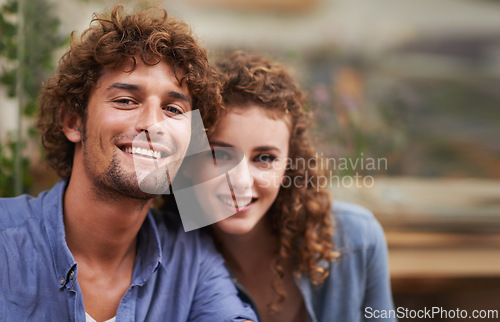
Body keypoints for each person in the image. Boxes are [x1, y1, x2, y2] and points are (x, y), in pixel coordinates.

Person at [0, 6, 256, 322]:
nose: (153, 124)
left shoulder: (191, 260)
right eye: (125, 101)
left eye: (174, 110)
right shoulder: (5, 241)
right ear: (73, 120)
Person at [177, 51, 396, 322]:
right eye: (220, 155)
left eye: (265, 158)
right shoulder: (169, 254)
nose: (241, 181)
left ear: (289, 165)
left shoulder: (357, 238)